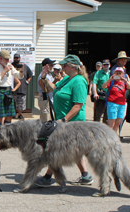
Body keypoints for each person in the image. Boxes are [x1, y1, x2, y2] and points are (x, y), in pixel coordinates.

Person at [34, 55, 93, 191]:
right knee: (75, 150)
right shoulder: (67, 78)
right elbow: (53, 88)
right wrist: (43, 78)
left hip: (72, 123)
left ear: (72, 66)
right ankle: (86, 175)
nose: (62, 68)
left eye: (64, 65)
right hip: (63, 121)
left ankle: (48, 177)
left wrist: (64, 120)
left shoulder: (79, 81)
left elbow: (78, 105)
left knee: (57, 149)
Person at [0, 49, 23, 127]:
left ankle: (7, 133)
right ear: (0, 58)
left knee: (9, 115)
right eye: (6, 58)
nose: (8, 60)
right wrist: (4, 71)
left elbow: (18, 76)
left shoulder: (10, 65)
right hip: (0, 91)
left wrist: (21, 71)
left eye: (8, 59)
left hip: (9, 92)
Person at [103, 67, 130, 133]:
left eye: (120, 73)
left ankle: (115, 135)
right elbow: (103, 86)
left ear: (122, 74)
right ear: (114, 73)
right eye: (117, 73)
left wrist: (125, 81)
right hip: (112, 103)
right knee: (111, 122)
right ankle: (110, 136)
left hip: (122, 104)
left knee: (118, 123)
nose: (118, 74)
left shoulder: (124, 82)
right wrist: (110, 80)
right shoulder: (112, 82)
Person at [12, 53, 32, 120]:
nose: (16, 59)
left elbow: (30, 74)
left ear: (20, 58)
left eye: (17, 58)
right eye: (15, 58)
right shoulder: (11, 66)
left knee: (21, 103)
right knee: (12, 102)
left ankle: (20, 114)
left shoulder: (24, 66)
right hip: (12, 87)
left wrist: (28, 81)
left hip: (22, 88)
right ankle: (12, 114)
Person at [37, 58, 55, 122]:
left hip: (50, 99)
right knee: (46, 118)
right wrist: (55, 83)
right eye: (51, 65)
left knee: (50, 117)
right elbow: (46, 89)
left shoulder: (49, 75)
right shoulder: (42, 76)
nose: (52, 66)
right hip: (45, 99)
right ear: (46, 66)